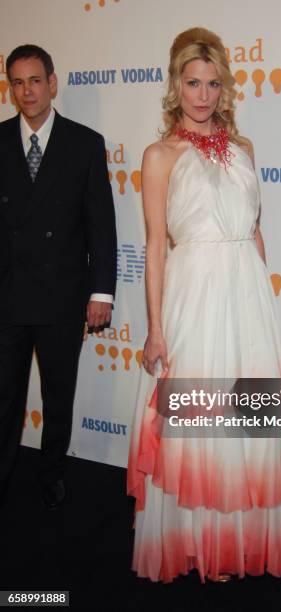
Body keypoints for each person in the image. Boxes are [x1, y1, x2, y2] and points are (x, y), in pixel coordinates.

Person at [127, 27, 281, 582]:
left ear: (224, 89)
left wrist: (264, 306)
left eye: (213, 83)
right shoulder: (159, 156)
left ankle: (239, 541)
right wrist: (155, 329)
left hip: (245, 296)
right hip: (194, 296)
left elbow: (255, 233)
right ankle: (198, 545)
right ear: (176, 87)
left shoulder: (245, 151)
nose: (203, 94)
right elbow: (156, 248)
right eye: (193, 82)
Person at [0, 45, 117, 509]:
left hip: (63, 294)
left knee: (58, 397)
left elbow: (100, 226)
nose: (27, 91)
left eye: (35, 80)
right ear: (11, 88)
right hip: (7, 294)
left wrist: (101, 292)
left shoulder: (84, 143)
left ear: (53, 81)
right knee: (4, 400)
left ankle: (51, 472)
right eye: (17, 82)